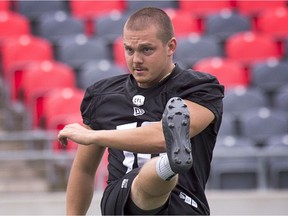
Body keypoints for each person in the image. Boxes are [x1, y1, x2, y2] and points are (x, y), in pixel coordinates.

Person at [58, 7, 224, 215]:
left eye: (146, 50)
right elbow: (84, 169)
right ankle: (167, 165)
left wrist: (94, 136)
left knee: (168, 147)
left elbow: (164, 137)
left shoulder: (199, 88)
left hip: (182, 203)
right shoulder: (103, 95)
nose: (136, 59)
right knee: (143, 181)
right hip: (122, 201)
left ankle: (167, 167)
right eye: (129, 49)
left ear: (170, 46)